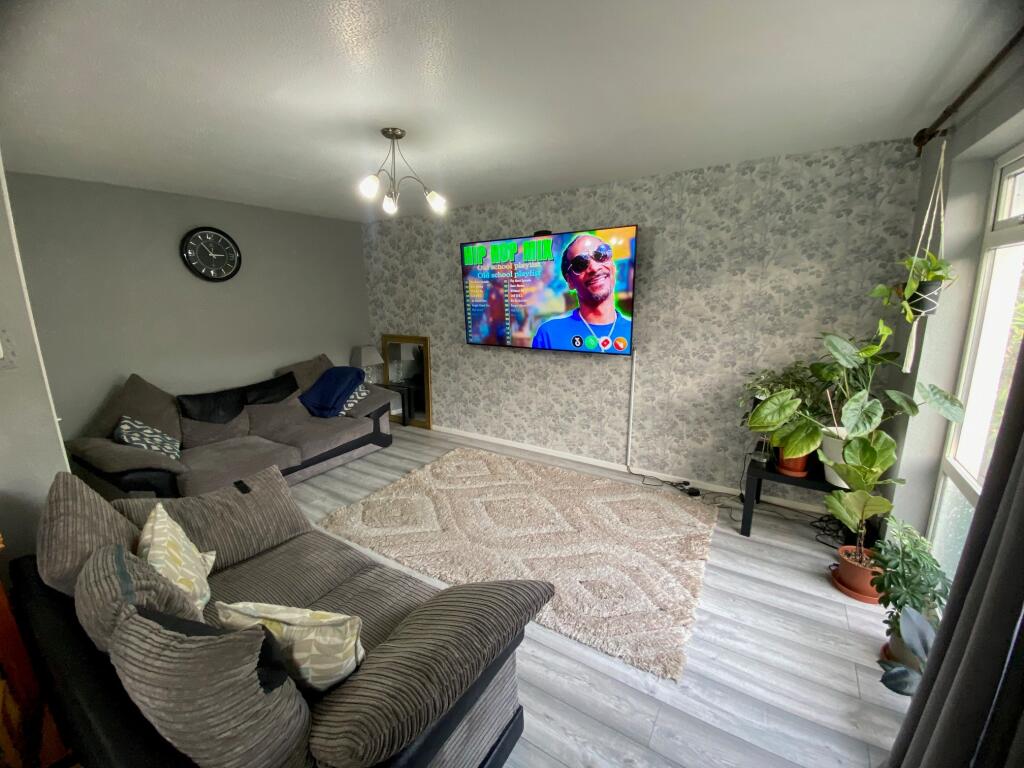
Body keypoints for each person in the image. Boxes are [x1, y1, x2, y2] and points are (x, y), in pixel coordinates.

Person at [531, 234, 633, 353]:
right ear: (570, 281)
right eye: (580, 263)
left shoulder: (634, 331)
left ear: (613, 265)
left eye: (601, 254)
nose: (594, 267)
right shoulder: (549, 334)